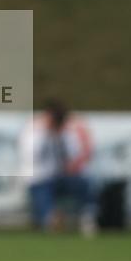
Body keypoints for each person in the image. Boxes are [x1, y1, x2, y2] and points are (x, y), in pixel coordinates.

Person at [20, 99, 96, 236]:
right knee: (42, 192)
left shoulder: (65, 132)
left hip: (62, 177)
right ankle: (50, 219)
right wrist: (45, 133)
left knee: (84, 183)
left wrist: (61, 136)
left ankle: (87, 218)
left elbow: (74, 155)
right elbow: (31, 156)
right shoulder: (33, 130)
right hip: (40, 178)